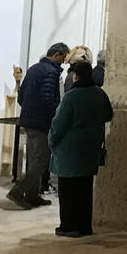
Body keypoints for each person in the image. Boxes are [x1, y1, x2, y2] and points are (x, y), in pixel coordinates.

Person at [48, 59, 114, 238]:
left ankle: (69, 226)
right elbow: (108, 114)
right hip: (90, 148)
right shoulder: (99, 94)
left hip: (69, 150)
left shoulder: (71, 96)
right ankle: (85, 226)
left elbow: (59, 124)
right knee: (85, 190)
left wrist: (52, 142)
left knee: (68, 191)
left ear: (75, 75)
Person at [10, 42, 68, 209]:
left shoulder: (34, 68)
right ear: (57, 55)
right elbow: (48, 98)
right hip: (41, 122)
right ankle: (19, 191)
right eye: (62, 59)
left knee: (34, 159)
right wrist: (57, 115)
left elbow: (21, 97)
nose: (62, 63)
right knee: (42, 159)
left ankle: (33, 195)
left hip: (29, 119)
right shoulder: (50, 72)